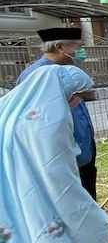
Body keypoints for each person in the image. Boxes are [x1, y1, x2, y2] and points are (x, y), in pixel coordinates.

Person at [0, 66, 108, 243]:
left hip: (6, 202)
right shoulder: (48, 116)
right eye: (75, 95)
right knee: (87, 229)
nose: (77, 101)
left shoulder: (8, 107)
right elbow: (59, 164)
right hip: (44, 196)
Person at [17, 28, 98, 200]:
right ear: (60, 47)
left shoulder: (68, 69)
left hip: (83, 145)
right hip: (59, 152)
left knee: (88, 195)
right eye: (77, 47)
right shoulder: (35, 75)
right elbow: (34, 118)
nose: (81, 52)